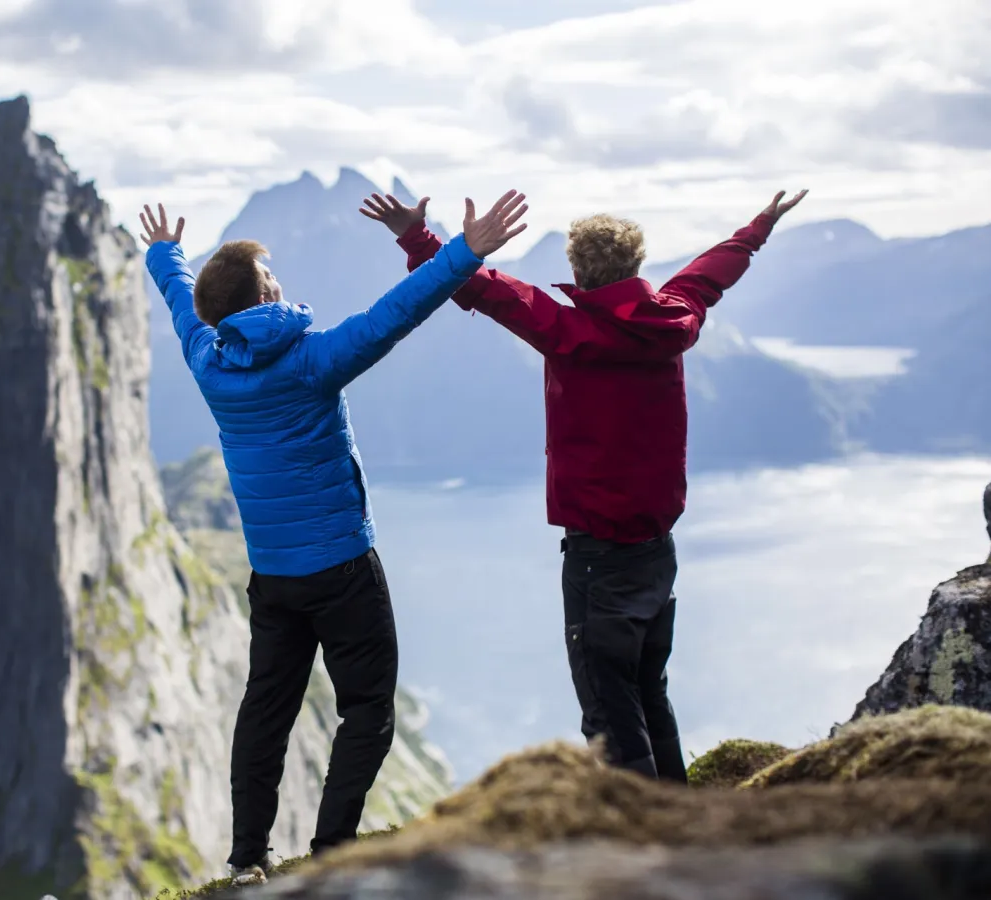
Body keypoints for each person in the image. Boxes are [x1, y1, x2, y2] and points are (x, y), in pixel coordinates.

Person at [138, 192, 528, 882]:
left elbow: (179, 301)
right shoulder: (313, 361)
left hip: (273, 576)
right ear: (267, 292)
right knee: (369, 708)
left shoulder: (207, 359)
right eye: (272, 274)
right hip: (344, 565)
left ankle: (248, 858)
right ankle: (332, 854)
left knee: (266, 710)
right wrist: (464, 251)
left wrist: (165, 254)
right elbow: (395, 314)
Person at [361, 187, 808, 782]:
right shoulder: (673, 316)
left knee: (607, 712)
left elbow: (482, 288)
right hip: (656, 551)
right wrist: (757, 227)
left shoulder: (564, 331)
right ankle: (684, 821)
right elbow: (708, 276)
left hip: (598, 556)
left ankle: (649, 848)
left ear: (575, 269)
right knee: (649, 693)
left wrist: (417, 238)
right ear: (637, 265)